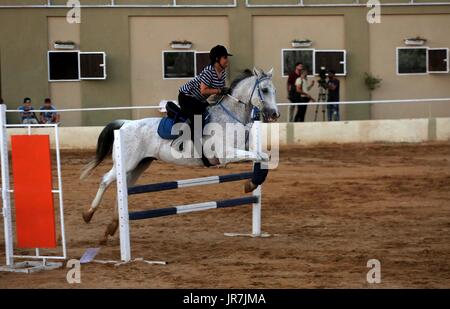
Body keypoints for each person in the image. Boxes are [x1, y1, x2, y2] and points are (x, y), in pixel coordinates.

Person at [178, 45, 232, 161]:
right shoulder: (209, 71)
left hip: (198, 99)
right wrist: (219, 90)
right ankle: (183, 136)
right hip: (186, 97)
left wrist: (227, 91)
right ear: (217, 59)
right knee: (198, 117)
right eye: (225, 57)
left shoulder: (222, 72)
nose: (227, 60)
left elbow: (219, 91)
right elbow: (204, 91)